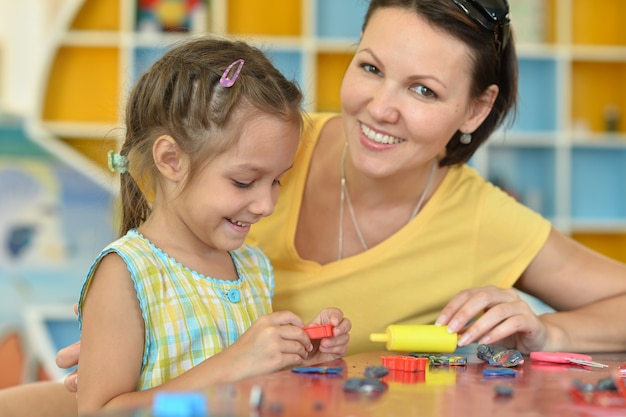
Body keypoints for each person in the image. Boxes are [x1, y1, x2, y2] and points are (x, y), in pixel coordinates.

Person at [4, 0, 626, 415]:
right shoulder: (266, 140)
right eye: (371, 67)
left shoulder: (484, 219)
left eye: (423, 90)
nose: (381, 107)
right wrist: (137, 337)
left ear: (475, 110)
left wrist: (553, 331)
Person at [74, 35, 352, 416]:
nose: (266, 205)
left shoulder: (253, 268)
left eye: (276, 181)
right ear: (171, 160)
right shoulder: (127, 273)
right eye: (243, 182)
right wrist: (235, 362)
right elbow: (100, 412)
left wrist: (300, 355)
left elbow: (248, 390)